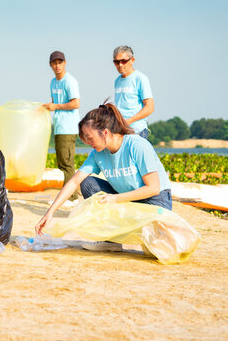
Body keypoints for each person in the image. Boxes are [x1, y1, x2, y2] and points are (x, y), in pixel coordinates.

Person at [35, 103, 172, 251]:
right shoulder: (98, 153)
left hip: (155, 200)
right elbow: (75, 181)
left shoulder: (137, 145)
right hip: (128, 199)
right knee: (88, 183)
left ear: (105, 132)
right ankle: (110, 241)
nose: (88, 143)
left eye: (89, 137)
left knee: (156, 250)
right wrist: (50, 213)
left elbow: (153, 188)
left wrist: (115, 199)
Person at [43, 51, 81, 206]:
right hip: (59, 126)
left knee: (66, 163)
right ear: (51, 65)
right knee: (61, 164)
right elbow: (54, 104)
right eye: (54, 63)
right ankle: (71, 193)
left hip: (69, 126)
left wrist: (56, 106)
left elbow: (76, 103)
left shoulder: (69, 81)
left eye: (60, 62)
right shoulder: (53, 82)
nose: (57, 65)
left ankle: (71, 198)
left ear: (65, 63)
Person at [112, 45, 154, 139]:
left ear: (132, 60)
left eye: (123, 61)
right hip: (121, 131)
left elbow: (150, 107)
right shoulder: (117, 81)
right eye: (116, 62)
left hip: (137, 131)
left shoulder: (140, 78)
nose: (120, 65)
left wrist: (129, 121)